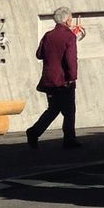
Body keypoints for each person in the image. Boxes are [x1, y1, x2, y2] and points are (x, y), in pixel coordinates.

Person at [28, 8, 80, 149]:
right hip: (63, 80)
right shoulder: (69, 36)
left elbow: (39, 54)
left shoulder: (48, 35)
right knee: (69, 110)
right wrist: (72, 77)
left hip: (49, 80)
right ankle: (69, 138)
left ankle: (34, 131)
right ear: (67, 20)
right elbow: (71, 59)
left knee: (53, 109)